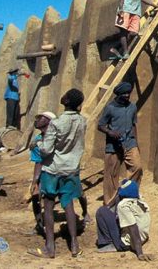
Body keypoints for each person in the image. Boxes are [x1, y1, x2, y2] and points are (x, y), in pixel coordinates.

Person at [28, 89, 86, 259]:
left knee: (48, 206)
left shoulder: (57, 123)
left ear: (66, 101)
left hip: (53, 170)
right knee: (69, 205)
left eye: (65, 95)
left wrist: (37, 144)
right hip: (71, 169)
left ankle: (50, 247)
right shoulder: (82, 121)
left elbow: (46, 150)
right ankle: (74, 245)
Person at [28, 111, 91, 235]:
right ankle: (40, 225)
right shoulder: (37, 140)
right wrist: (35, 181)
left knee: (79, 194)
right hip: (49, 172)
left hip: (66, 169)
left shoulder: (59, 136)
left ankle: (85, 212)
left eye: (41, 117)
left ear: (49, 121)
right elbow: (38, 162)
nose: (38, 119)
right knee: (37, 196)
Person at [98, 81, 143, 205]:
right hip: (113, 146)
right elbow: (100, 125)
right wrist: (110, 132)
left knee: (137, 167)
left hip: (130, 143)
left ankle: (128, 192)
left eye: (128, 94)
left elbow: (134, 125)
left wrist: (136, 143)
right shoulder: (110, 108)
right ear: (118, 95)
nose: (127, 96)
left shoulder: (132, 107)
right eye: (124, 94)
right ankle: (110, 201)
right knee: (111, 175)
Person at [95, 178, 153, 261]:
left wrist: (140, 253)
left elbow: (133, 228)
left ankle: (109, 243)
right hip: (143, 237)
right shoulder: (139, 199)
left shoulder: (123, 206)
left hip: (128, 243)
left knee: (101, 211)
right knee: (111, 214)